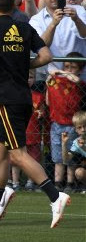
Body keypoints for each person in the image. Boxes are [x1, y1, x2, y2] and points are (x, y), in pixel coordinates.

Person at [0, 0, 70, 227]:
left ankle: (55, 196)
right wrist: (26, 66)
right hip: (24, 98)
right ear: (14, 6)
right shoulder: (24, 27)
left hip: (5, 99)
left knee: (17, 154)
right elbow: (47, 56)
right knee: (0, 152)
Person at [30, 0, 86, 79]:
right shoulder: (36, 20)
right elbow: (40, 46)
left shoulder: (78, 10)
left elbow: (84, 34)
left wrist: (76, 19)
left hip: (79, 77)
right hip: (52, 77)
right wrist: (53, 24)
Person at [45, 52, 84, 191]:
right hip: (56, 124)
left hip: (72, 125)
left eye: (72, 67)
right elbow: (48, 99)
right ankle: (57, 182)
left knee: (70, 155)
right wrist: (55, 75)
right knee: (57, 156)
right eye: (66, 66)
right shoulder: (57, 82)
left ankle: (70, 183)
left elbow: (76, 80)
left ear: (80, 70)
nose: (68, 70)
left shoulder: (78, 83)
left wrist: (62, 72)